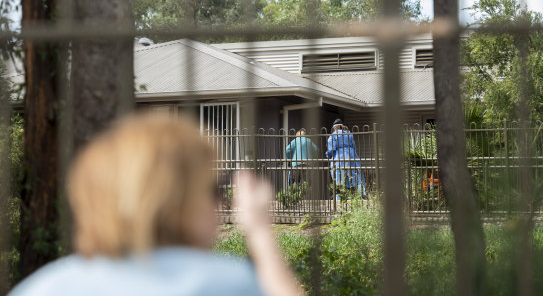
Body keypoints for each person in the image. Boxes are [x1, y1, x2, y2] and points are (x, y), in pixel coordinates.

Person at [9, 113, 304, 296]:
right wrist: (260, 233)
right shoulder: (225, 282)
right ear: (177, 200)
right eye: (213, 190)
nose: (221, 205)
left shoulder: (48, 287)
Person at [325, 119, 366, 199]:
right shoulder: (349, 134)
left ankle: (339, 199)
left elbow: (331, 148)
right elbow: (354, 146)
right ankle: (362, 196)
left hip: (340, 156)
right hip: (352, 155)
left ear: (336, 127)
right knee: (356, 175)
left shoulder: (333, 135)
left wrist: (328, 155)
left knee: (339, 177)